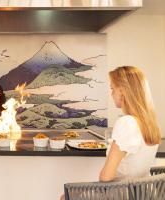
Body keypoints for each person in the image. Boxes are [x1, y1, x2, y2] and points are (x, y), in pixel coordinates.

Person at [61, 66, 161, 200]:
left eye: (112, 88)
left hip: (121, 194)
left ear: (123, 91)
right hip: (144, 193)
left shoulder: (127, 123)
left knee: (65, 196)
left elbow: (105, 177)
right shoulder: (151, 123)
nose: (111, 94)